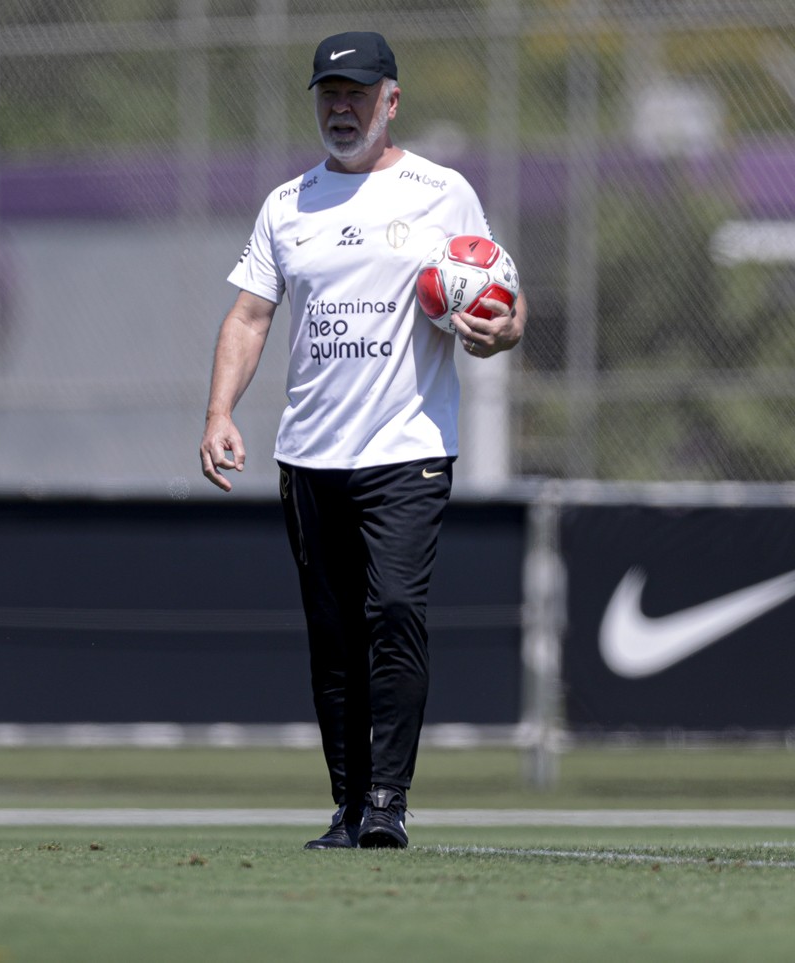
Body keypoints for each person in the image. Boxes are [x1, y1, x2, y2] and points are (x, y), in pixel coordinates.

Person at [199, 30, 526, 850]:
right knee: (335, 638)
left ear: (391, 100)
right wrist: (219, 413)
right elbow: (249, 314)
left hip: (407, 451)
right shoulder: (288, 204)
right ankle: (347, 809)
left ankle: (388, 800)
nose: (341, 108)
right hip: (309, 456)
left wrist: (500, 332)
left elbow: (505, 301)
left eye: (357, 93)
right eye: (328, 94)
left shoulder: (442, 192)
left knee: (396, 613)